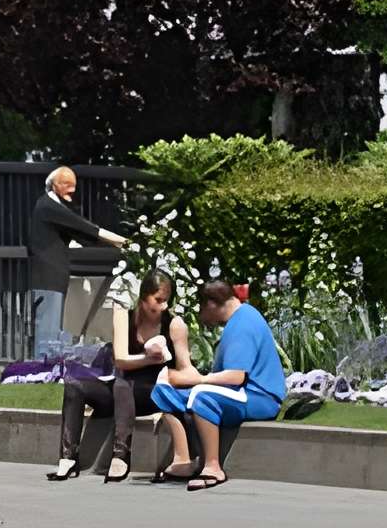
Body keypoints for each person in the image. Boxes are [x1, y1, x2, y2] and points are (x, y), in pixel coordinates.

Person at [150, 279, 286, 490]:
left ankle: (213, 467)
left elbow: (236, 377)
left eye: (202, 309)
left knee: (202, 395)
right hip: (237, 393)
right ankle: (183, 460)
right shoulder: (235, 322)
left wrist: (195, 380)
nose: (202, 317)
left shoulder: (244, 322)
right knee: (165, 392)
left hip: (259, 396)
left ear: (212, 303)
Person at [50, 271, 185, 483]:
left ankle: (121, 454)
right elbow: (121, 359)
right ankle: (68, 458)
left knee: (123, 382)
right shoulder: (125, 315)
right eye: (158, 300)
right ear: (143, 297)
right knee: (75, 384)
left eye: (167, 301)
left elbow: (184, 367)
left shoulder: (173, 324)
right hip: (120, 392)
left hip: (151, 392)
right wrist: (150, 358)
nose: (163, 306)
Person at [23, 165, 132, 357]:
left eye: (73, 185)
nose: (72, 190)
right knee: (47, 329)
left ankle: (47, 365)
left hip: (52, 275)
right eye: (67, 184)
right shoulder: (49, 206)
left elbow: (80, 234)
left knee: (51, 327)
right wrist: (127, 243)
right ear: (54, 185)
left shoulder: (51, 206)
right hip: (48, 276)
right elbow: (87, 228)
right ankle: (43, 368)